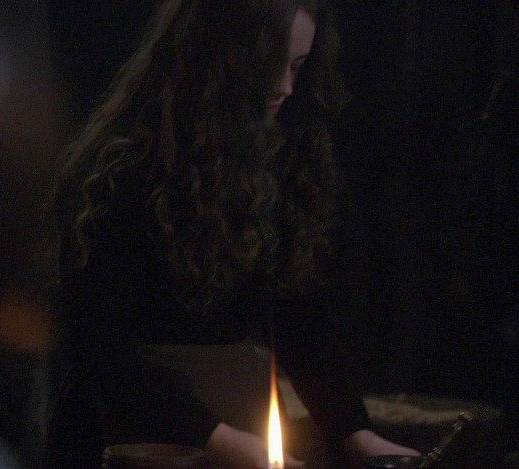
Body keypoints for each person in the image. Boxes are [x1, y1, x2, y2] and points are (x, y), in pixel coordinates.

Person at [46, 1, 421, 467]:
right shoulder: (119, 170)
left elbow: (296, 313)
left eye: (297, 66)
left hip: (236, 427)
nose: (285, 86)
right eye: (270, 63)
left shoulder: (271, 159)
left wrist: (353, 431)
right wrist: (218, 439)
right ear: (217, 54)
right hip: (130, 441)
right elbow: (100, 348)